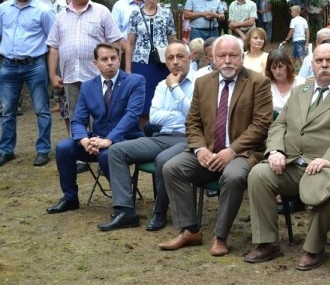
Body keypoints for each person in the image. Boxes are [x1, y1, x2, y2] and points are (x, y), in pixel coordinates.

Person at [243, 43, 330, 270]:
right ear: (312, 64)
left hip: (324, 165)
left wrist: (329, 159)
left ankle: (313, 248)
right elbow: (279, 124)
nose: (324, 65)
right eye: (319, 61)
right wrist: (276, 150)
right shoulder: (300, 91)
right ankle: (267, 242)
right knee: (258, 174)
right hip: (290, 164)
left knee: (325, 185)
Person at [158, 35, 272, 256]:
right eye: (222, 55)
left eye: (233, 56)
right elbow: (193, 122)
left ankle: (220, 236)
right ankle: (190, 230)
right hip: (208, 151)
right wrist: (200, 149)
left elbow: (261, 125)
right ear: (214, 58)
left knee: (233, 176)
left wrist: (232, 150)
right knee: (172, 168)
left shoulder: (259, 83)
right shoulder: (204, 82)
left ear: (242, 57)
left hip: (242, 153)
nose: (227, 60)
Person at [98, 41, 196, 232]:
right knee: (116, 150)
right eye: (170, 58)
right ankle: (125, 211)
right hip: (161, 136)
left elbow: (195, 115)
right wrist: (181, 113)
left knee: (162, 160)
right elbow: (155, 117)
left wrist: (175, 90)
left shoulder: (202, 81)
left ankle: (159, 212)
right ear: (166, 63)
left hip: (189, 138)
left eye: (180, 57)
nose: (175, 62)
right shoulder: (161, 85)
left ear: (189, 58)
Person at [46, 43, 145, 214]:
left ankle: (123, 203)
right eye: (104, 59)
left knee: (108, 154)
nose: (110, 63)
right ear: (95, 63)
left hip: (126, 140)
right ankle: (70, 198)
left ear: (119, 59)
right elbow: (77, 120)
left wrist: (109, 140)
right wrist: (84, 140)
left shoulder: (135, 81)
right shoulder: (88, 86)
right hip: (96, 140)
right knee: (63, 148)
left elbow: (131, 116)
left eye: (113, 58)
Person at [47, 0, 125, 118]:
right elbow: (54, 47)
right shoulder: (60, 17)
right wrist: (52, 74)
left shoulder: (102, 12)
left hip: (97, 76)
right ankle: (78, 142)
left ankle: (100, 141)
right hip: (70, 77)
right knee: (75, 118)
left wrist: (114, 68)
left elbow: (115, 42)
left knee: (100, 117)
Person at [0, 0, 55, 167]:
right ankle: (6, 149)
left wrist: (52, 70)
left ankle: (42, 149)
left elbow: (53, 41)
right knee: (7, 111)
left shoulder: (44, 10)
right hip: (8, 66)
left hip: (34, 65)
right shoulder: (3, 9)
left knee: (42, 110)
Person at [124, 0, 176, 119]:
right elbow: (130, 43)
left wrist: (174, 62)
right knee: (142, 101)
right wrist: (128, 69)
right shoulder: (135, 15)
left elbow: (172, 40)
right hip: (140, 63)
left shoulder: (166, 14)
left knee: (162, 99)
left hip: (161, 63)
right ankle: (142, 134)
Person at [265, 49, 305, 114]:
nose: (277, 71)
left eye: (280, 67)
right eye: (273, 68)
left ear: (287, 66)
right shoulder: (267, 86)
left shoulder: (301, 83)